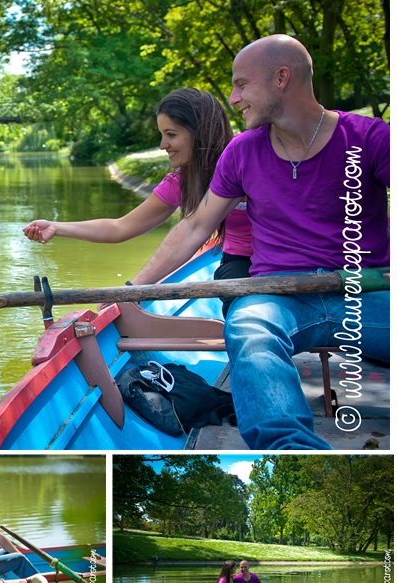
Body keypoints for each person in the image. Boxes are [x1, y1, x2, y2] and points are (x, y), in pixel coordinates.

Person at [130, 35, 390, 450]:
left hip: (367, 292)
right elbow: (197, 227)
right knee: (249, 326)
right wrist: (133, 292)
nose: (233, 98)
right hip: (278, 296)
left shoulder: (371, 139)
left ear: (281, 78)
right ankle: (290, 448)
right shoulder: (242, 151)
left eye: (241, 85)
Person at [23, 88, 253, 286]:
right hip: (239, 261)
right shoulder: (183, 181)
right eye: (162, 135)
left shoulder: (249, 159)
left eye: (171, 135)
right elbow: (119, 227)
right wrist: (56, 227)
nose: (163, 145)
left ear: (201, 133)